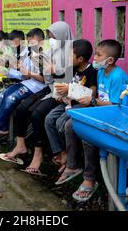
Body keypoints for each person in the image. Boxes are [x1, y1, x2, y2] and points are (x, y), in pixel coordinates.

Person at [56, 39, 128, 203]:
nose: (94, 58)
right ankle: (73, 165)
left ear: (109, 60)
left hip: (115, 116)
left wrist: (92, 101)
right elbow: (95, 96)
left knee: (87, 134)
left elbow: (117, 105)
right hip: (100, 112)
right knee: (70, 125)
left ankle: (90, 179)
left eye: (98, 55)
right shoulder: (101, 72)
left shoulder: (117, 76)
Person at [0, 21, 74, 176]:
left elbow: (68, 80)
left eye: (53, 36)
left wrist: (53, 71)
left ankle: (38, 155)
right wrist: (43, 65)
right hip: (49, 88)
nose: (51, 40)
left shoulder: (71, 54)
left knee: (37, 114)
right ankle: (20, 145)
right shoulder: (50, 52)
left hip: (62, 94)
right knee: (21, 108)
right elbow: (47, 79)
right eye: (49, 36)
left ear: (62, 36)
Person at [0, 28, 46, 146]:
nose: (30, 45)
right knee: (2, 95)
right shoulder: (29, 56)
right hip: (26, 83)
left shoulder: (43, 57)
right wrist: (19, 67)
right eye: (29, 42)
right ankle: (3, 129)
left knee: (11, 99)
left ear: (41, 42)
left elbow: (44, 79)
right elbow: (24, 76)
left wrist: (26, 72)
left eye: (33, 42)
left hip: (36, 88)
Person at [43, 39, 97, 174]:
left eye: (69, 55)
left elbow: (91, 94)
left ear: (80, 59)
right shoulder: (71, 69)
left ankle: (72, 158)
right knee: (49, 120)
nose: (66, 58)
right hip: (68, 103)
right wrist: (61, 94)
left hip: (80, 105)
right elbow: (63, 85)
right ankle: (61, 153)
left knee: (62, 125)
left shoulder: (92, 72)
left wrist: (70, 90)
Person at [0, 30, 27, 127]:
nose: (13, 45)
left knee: (0, 95)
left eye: (16, 43)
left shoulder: (26, 54)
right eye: (11, 43)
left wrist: (15, 65)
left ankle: (2, 126)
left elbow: (23, 74)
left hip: (20, 81)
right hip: (9, 78)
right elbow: (6, 67)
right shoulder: (13, 52)